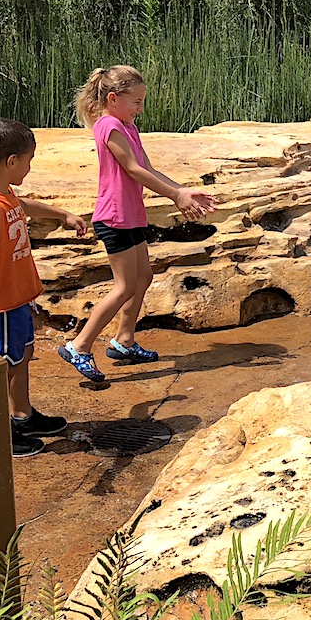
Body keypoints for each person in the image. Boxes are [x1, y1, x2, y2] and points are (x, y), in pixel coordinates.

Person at [58, 65, 217, 382]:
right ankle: (79, 345)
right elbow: (132, 169)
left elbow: (147, 167)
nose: (141, 109)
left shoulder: (128, 127)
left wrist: (182, 193)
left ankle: (124, 341)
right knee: (125, 285)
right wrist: (175, 195)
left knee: (142, 277)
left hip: (131, 215)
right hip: (114, 217)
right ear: (113, 98)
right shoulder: (108, 126)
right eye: (137, 102)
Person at [0, 118, 89, 458]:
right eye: (29, 160)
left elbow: (25, 206)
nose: (30, 167)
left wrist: (63, 215)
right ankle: (0, 430)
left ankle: (23, 415)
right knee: (3, 364)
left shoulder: (6, 194)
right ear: (11, 162)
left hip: (16, 296)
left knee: (22, 355)